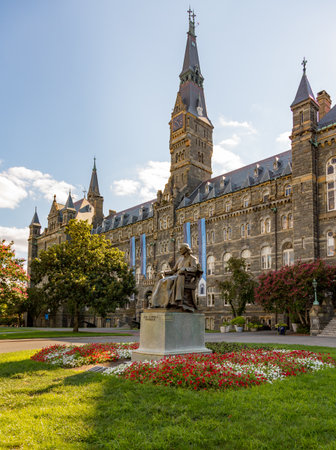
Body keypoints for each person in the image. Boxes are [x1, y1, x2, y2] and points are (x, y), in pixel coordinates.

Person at [150, 243, 201, 311]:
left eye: (181, 249)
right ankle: (158, 303)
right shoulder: (180, 259)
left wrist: (185, 269)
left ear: (186, 249)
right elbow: (173, 270)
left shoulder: (192, 259)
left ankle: (173, 301)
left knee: (169, 281)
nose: (179, 250)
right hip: (176, 276)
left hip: (185, 278)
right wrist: (164, 272)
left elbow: (194, 268)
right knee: (161, 280)